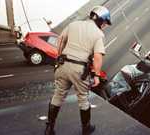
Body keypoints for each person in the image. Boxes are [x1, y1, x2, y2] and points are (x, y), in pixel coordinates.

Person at [44, 6, 111, 135]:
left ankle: (49, 128)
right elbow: (97, 56)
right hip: (79, 70)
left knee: (58, 95)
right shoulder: (98, 34)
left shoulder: (73, 24)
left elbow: (60, 40)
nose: (104, 26)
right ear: (100, 20)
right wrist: (96, 75)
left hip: (63, 65)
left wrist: (59, 57)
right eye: (104, 23)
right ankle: (86, 128)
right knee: (83, 98)